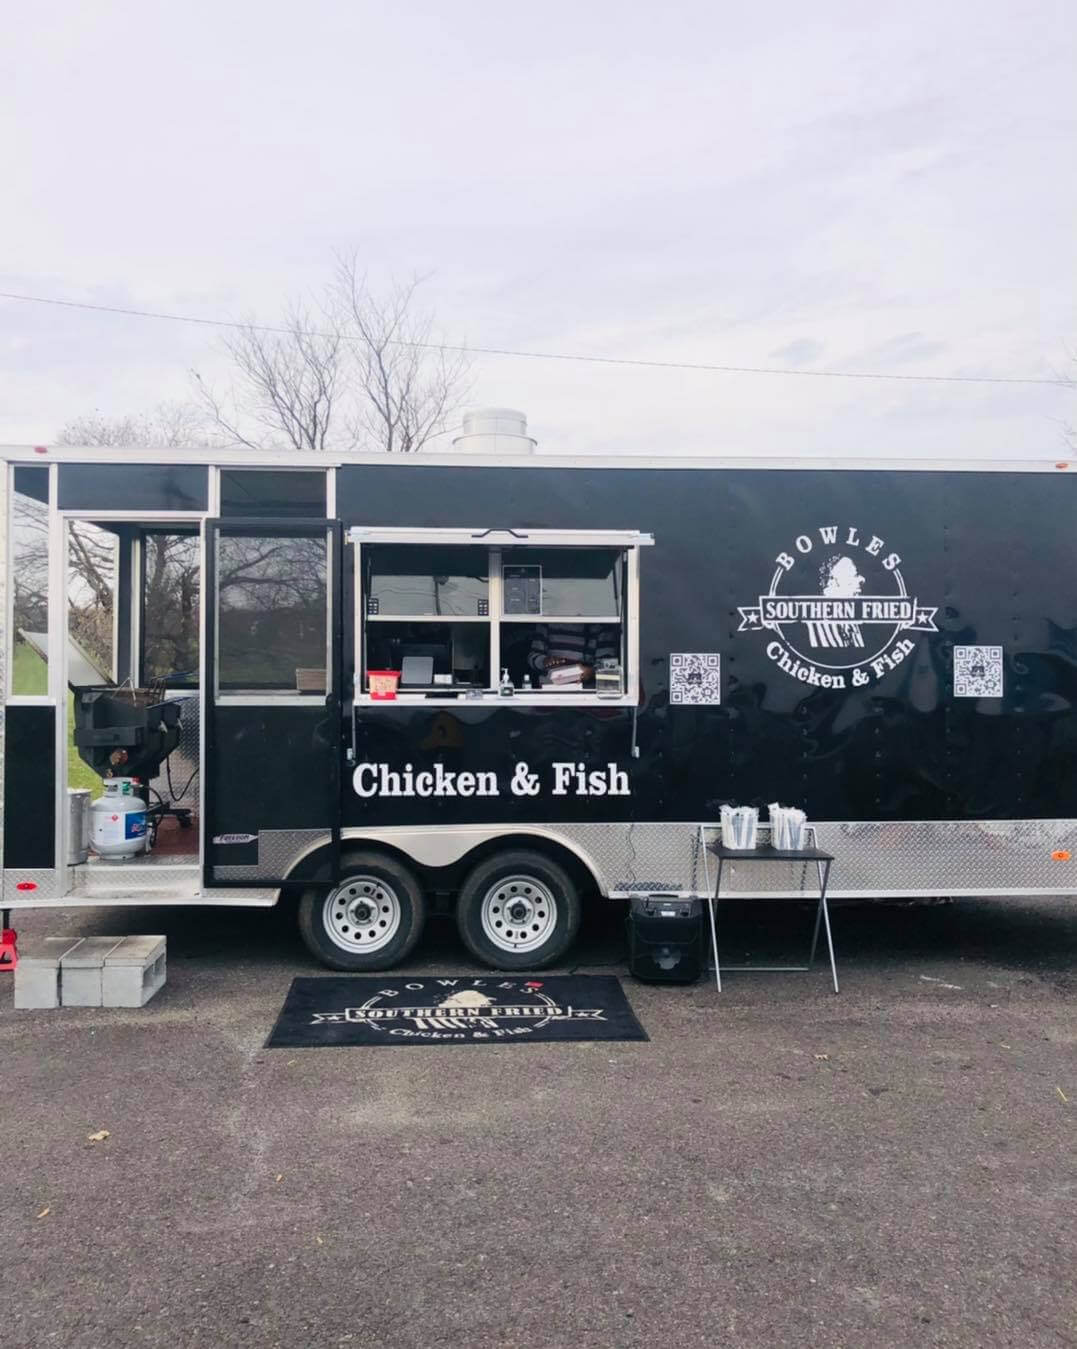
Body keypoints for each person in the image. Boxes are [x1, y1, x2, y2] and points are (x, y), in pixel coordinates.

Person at [528, 624, 620, 687]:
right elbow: (533, 657)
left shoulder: (601, 625)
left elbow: (609, 667)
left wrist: (591, 672)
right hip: (550, 690)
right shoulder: (547, 622)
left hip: (586, 695)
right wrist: (545, 661)